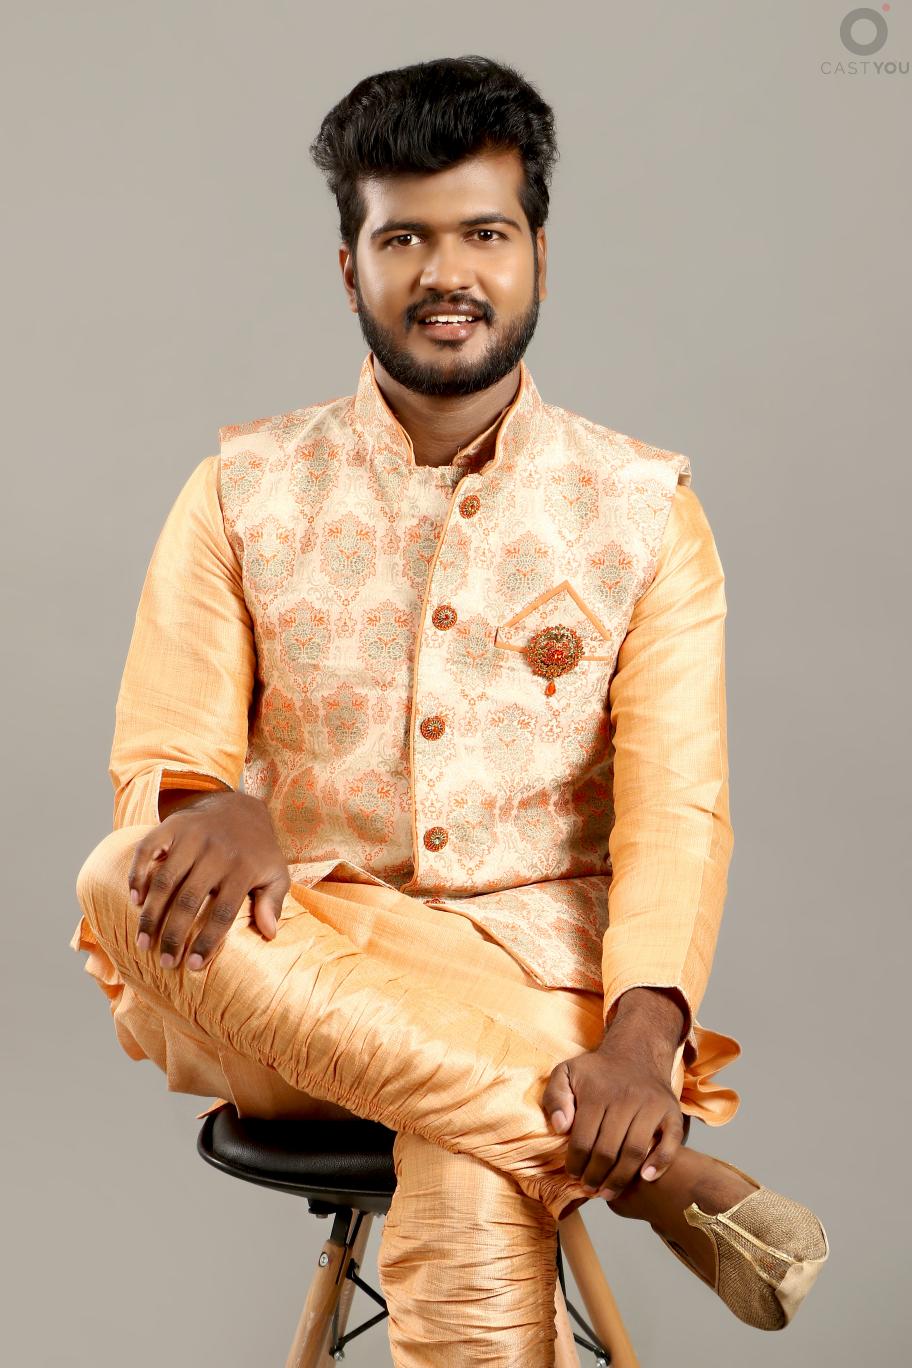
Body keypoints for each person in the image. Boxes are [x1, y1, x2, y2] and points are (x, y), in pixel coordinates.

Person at [72, 54, 829, 1365]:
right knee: (112, 875)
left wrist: (643, 1045)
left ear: (538, 253)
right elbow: (166, 751)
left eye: (484, 233)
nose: (446, 273)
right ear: (349, 267)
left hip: (546, 989)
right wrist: (214, 806)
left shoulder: (643, 513)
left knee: (469, 1161)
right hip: (290, 975)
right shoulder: (241, 489)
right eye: (404, 238)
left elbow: (677, 813)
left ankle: (533, 1124)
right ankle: (644, 1175)